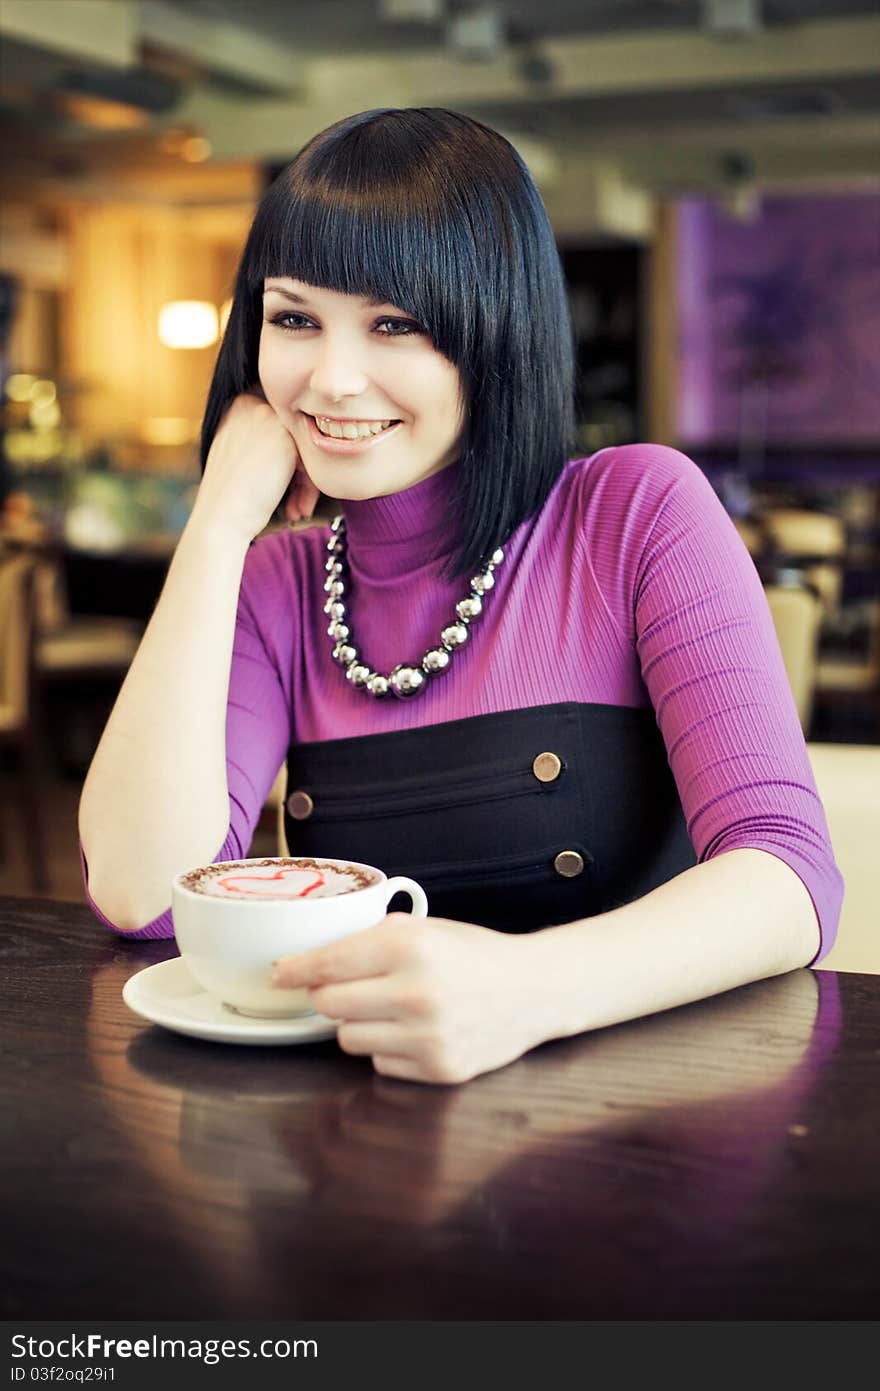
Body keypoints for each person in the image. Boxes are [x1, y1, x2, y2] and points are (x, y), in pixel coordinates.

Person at [78, 107, 843, 1085]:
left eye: (396, 323)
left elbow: (789, 876)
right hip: (365, 1143)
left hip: (640, 1129)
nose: (333, 377)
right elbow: (144, 893)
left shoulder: (632, 513)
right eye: (294, 318)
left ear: (495, 333)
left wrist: (524, 989)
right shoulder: (279, 581)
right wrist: (218, 523)